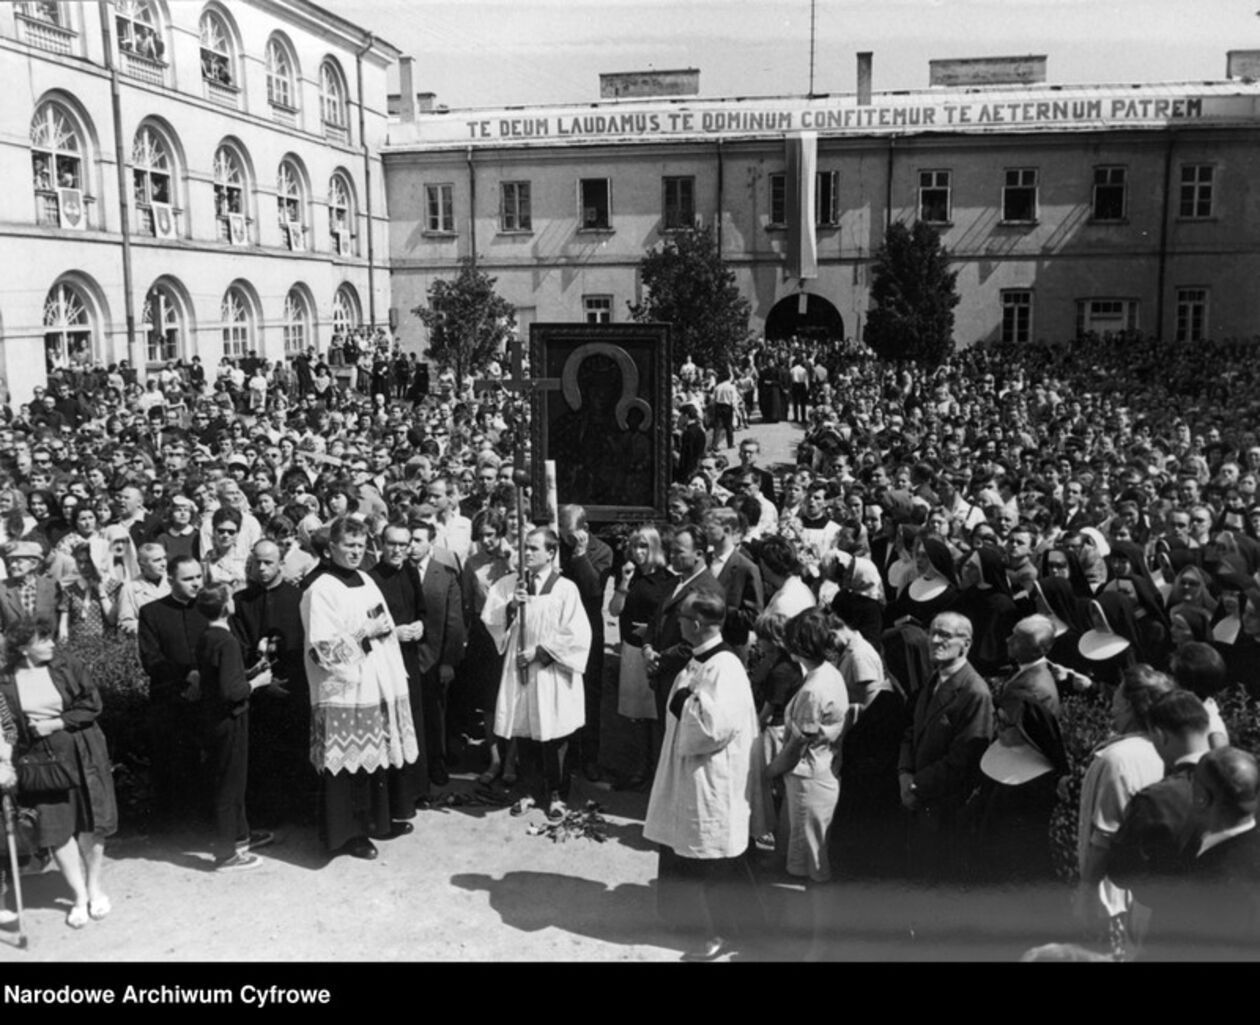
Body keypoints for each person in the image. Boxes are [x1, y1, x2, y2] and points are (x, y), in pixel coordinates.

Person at [643, 590, 761, 962]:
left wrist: (681, 698)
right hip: (690, 771)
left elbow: (712, 727)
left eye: (681, 618)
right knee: (697, 854)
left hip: (713, 778)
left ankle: (725, 933)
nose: (677, 623)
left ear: (697, 624)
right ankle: (705, 926)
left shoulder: (725, 667)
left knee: (715, 859)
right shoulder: (698, 659)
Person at [301, 515, 419, 861]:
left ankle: (377, 822)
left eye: (360, 545)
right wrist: (364, 633)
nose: (355, 552)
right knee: (349, 762)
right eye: (348, 545)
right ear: (330, 548)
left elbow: (381, 622)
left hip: (376, 679)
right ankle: (348, 835)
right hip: (343, 688)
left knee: (375, 756)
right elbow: (321, 650)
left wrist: (381, 631)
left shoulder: (366, 578)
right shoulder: (320, 588)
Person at [0, 617, 117, 928]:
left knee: (92, 821)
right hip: (38, 762)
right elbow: (6, 726)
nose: (53, 643)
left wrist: (58, 722)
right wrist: (6, 761)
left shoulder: (67, 665)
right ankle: (78, 895)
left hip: (81, 751)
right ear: (24, 648)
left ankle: (95, 887)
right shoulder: (6, 680)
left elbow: (92, 704)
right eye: (44, 640)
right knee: (56, 828)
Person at [482, 527, 591, 820]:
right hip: (519, 668)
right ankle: (529, 790)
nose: (527, 553)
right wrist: (511, 607)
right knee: (526, 730)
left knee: (554, 733)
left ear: (551, 553)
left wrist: (541, 653)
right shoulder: (510, 584)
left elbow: (578, 634)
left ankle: (556, 794)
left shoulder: (565, 588)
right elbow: (490, 618)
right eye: (525, 548)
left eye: (534, 548)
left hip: (551, 670)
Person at [1075, 664, 1174, 958]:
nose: (1112, 706)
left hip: (1112, 899)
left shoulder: (1117, 759)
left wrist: (1087, 891)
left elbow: (1104, 836)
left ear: (1131, 705)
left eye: (1117, 698)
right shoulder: (1162, 748)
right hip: (1142, 893)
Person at [768, 606, 848, 960]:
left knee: (815, 869)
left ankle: (817, 946)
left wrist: (764, 773)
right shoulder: (829, 673)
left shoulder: (812, 690)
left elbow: (795, 749)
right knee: (813, 864)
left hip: (809, 781)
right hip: (822, 774)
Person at [1109, 690, 1211, 958]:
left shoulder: (1156, 800)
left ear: (1160, 735)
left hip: (1167, 927)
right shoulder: (1246, 783)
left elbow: (1121, 871)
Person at [898, 611, 994, 882]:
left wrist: (917, 785)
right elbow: (912, 730)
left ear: (966, 644)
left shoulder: (974, 692)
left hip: (945, 813)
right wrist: (904, 773)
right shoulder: (935, 679)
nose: (935, 640)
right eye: (932, 633)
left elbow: (965, 759)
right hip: (918, 802)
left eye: (945, 635)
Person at [974, 615, 1069, 883]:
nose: (1008, 640)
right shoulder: (1027, 674)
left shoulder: (1035, 687)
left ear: (1040, 649)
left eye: (1017, 638)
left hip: (1023, 776)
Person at [193, 584, 276, 870]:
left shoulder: (208, 636)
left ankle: (241, 836)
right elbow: (232, 692)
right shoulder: (226, 640)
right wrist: (257, 683)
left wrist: (249, 672)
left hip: (215, 719)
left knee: (232, 780)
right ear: (226, 606)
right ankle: (227, 853)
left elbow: (223, 680)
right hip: (229, 720)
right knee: (230, 785)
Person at [137, 554, 208, 828]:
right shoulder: (151, 612)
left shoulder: (211, 607)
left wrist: (203, 677)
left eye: (198, 577)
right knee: (175, 768)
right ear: (170, 580)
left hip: (208, 698)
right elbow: (151, 658)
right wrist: (185, 678)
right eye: (188, 579)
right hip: (171, 702)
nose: (195, 584)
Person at [368, 523, 430, 815]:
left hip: (409, 657)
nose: (398, 550)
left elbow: (421, 610)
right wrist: (394, 633)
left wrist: (420, 624)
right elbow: (368, 625)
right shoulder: (370, 579)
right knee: (391, 724)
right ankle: (397, 800)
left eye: (403, 546)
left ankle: (418, 791)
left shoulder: (410, 572)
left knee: (413, 721)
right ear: (382, 544)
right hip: (385, 660)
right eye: (392, 544)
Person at [608, 524, 673, 790]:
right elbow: (614, 611)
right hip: (631, 649)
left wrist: (653, 630)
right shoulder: (629, 575)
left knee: (655, 715)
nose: (638, 551)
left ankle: (657, 770)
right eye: (635, 545)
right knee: (636, 716)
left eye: (644, 545)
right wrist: (623, 582)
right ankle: (639, 767)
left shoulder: (667, 579)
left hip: (653, 651)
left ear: (655, 548)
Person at [558, 504, 614, 782]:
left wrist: (579, 555)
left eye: (570, 536)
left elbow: (593, 589)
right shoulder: (555, 546)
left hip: (589, 631)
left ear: (584, 530)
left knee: (590, 695)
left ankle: (589, 757)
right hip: (560, 629)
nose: (565, 541)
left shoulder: (602, 551)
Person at [409, 519, 465, 786]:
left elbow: (454, 623)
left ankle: (436, 762)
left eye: (418, 540)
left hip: (434, 659)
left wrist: (448, 662)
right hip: (404, 658)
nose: (411, 546)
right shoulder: (394, 573)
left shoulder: (444, 574)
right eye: (408, 539)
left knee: (435, 714)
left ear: (431, 543)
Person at [117, 542, 169, 634]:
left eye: (164, 558)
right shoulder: (129, 589)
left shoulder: (174, 583)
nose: (163, 563)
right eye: (157, 560)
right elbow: (124, 623)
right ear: (142, 564)